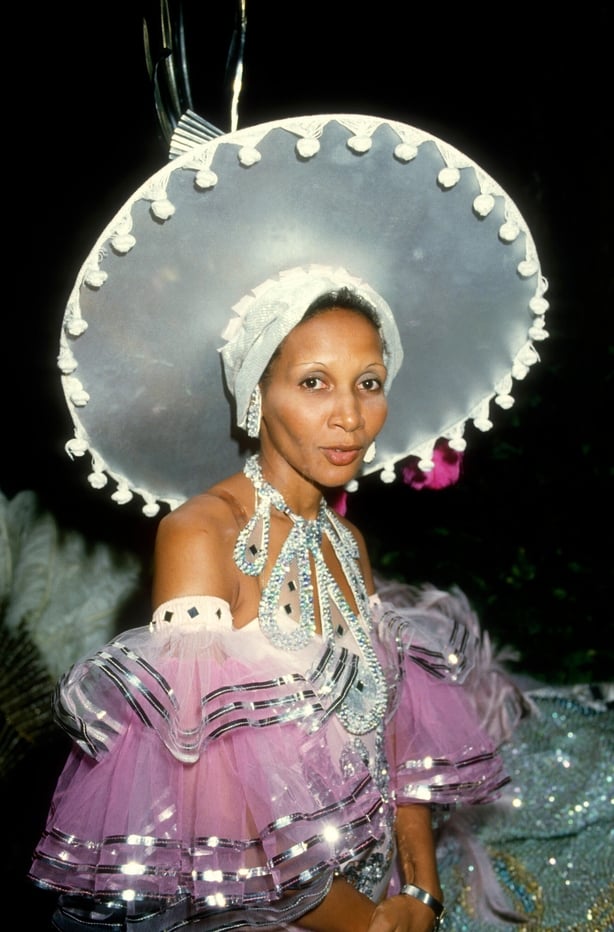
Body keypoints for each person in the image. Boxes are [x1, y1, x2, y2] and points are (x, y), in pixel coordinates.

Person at [29, 114, 550, 930]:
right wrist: (363, 922)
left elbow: (396, 735)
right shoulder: (199, 537)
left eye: (368, 382)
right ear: (254, 396)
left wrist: (419, 891)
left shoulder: (348, 545)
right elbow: (209, 801)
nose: (349, 417)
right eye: (313, 383)